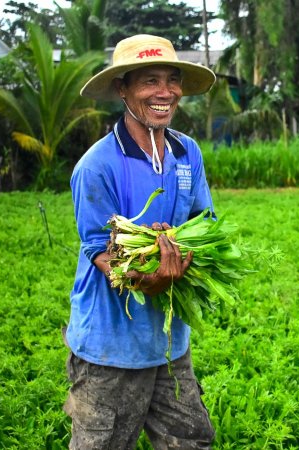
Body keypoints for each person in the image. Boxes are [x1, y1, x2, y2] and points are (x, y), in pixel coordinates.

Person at [65, 34, 217, 449]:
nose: (165, 92)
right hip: (111, 348)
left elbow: (206, 221)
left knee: (191, 440)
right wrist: (143, 276)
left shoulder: (187, 153)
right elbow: (100, 247)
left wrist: (185, 251)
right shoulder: (97, 166)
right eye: (150, 80)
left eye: (172, 79)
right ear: (123, 89)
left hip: (168, 343)